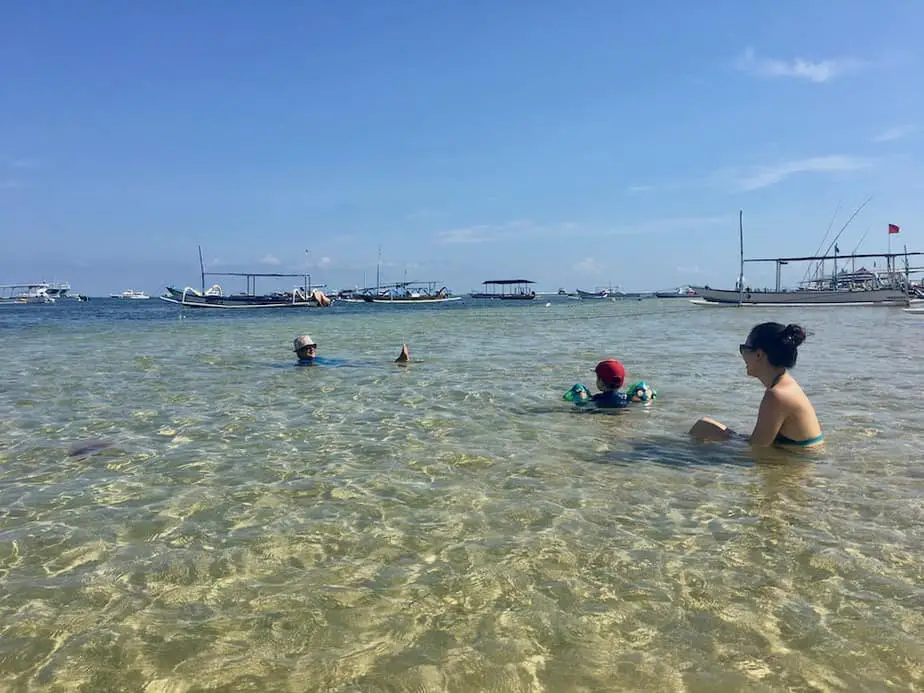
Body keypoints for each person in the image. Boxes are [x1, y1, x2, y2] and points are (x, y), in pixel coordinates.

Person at [689, 322, 824, 447]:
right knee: (704, 426)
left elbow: (757, 450)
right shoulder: (786, 384)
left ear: (759, 354)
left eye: (744, 349)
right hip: (794, 458)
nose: (742, 355)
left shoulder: (777, 395)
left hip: (796, 467)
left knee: (702, 429)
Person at [293, 335, 410, 366]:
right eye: (307, 348)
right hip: (339, 367)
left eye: (313, 347)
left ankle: (398, 362)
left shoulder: (314, 361)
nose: (311, 349)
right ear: (299, 353)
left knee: (363, 363)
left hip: (339, 364)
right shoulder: (303, 364)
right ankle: (398, 362)